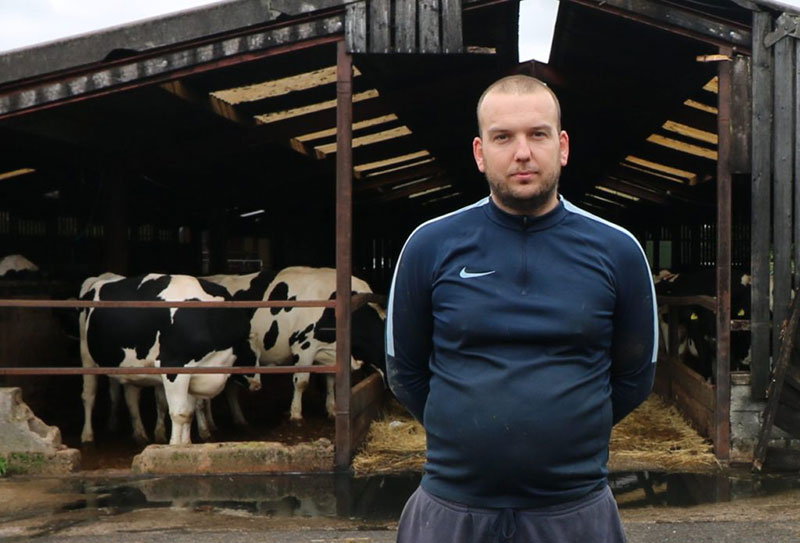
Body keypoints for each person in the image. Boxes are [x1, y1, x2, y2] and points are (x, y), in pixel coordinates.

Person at [385, 74, 658, 543]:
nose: (523, 152)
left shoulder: (617, 251)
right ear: (479, 152)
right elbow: (404, 372)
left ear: (562, 146)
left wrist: (565, 433)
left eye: (538, 134)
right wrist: (467, 434)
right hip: (453, 511)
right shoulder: (430, 245)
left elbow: (635, 377)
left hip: (574, 513)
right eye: (503, 137)